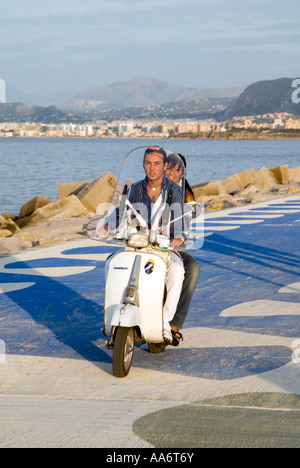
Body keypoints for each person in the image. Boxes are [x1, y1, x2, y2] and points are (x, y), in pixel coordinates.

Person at [99, 147, 186, 344]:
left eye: (156, 164)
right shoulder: (135, 189)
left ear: (164, 166)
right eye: (148, 163)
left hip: (161, 247)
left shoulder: (175, 191)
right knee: (111, 264)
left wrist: (179, 234)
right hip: (136, 244)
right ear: (143, 164)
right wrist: (107, 225)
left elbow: (180, 217)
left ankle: (164, 322)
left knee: (178, 270)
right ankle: (112, 317)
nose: (152, 168)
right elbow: (121, 211)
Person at [165, 153, 201, 340]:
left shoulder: (187, 194)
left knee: (192, 268)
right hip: (145, 244)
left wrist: (182, 235)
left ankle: (174, 323)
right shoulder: (147, 187)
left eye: (177, 168)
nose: (172, 172)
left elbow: (190, 220)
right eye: (169, 167)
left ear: (182, 172)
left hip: (172, 248)